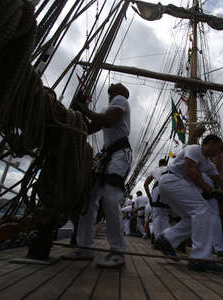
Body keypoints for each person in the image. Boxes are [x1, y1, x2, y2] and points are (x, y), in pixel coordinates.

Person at [155, 134, 223, 273]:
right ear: (210, 143)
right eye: (218, 147)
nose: (219, 151)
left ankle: (167, 239)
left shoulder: (208, 164)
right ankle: (200, 259)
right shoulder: (194, 149)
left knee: (192, 217)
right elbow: (190, 170)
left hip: (171, 185)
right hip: (171, 180)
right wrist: (211, 191)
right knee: (203, 210)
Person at [64, 83, 131, 268]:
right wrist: (75, 116)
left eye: (114, 89)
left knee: (110, 198)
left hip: (119, 154)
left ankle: (118, 251)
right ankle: (84, 247)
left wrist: (84, 109)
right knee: (89, 200)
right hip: (106, 155)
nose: (112, 88)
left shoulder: (121, 100)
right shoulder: (106, 108)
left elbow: (108, 120)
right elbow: (91, 127)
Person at [202, 173, 223, 260]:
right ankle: (219, 249)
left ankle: (211, 249)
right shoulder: (208, 167)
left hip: (201, 183)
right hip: (204, 183)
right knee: (213, 217)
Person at [143, 159, 170, 240]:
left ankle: (157, 238)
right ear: (166, 164)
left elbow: (145, 184)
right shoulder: (171, 169)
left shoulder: (155, 170)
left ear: (159, 164)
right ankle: (164, 239)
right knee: (165, 215)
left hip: (158, 189)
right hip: (169, 189)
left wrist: (150, 197)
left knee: (157, 215)